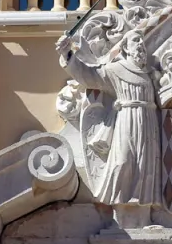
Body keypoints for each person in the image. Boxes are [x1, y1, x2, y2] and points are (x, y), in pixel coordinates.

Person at [56, 29, 159, 228]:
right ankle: (121, 216)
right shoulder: (117, 69)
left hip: (148, 122)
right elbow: (89, 76)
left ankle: (143, 217)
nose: (140, 45)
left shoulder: (148, 75)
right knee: (123, 161)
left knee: (146, 167)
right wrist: (67, 54)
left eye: (142, 42)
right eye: (135, 41)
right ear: (126, 48)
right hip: (127, 119)